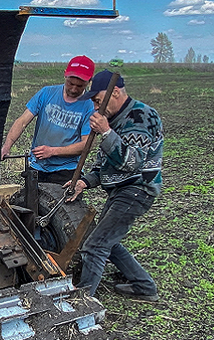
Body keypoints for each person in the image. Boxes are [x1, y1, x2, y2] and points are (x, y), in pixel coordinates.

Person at [65, 70, 164, 302]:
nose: (97, 108)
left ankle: (83, 303)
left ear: (116, 92)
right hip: (121, 189)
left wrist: (106, 132)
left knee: (96, 245)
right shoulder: (115, 120)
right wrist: (83, 182)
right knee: (108, 240)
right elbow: (105, 167)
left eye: (99, 101)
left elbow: (131, 163)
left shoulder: (140, 117)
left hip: (137, 189)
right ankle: (144, 286)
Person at [0, 55, 97, 184]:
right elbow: (22, 122)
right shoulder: (47, 93)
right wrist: (6, 146)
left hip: (67, 171)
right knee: (29, 202)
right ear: (65, 75)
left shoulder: (91, 106)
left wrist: (53, 151)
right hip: (37, 167)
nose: (73, 89)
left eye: (79, 86)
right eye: (70, 83)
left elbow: (87, 144)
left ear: (89, 81)